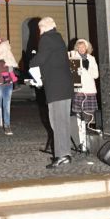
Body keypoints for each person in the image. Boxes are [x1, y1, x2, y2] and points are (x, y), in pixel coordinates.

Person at [30, 17, 74, 169]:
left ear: (42, 28)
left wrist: (30, 62)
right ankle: (65, 153)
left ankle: (62, 156)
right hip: (64, 87)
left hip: (56, 88)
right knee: (63, 122)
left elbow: (40, 59)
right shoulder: (58, 37)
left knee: (57, 122)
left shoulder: (46, 38)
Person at [69, 38, 99, 121]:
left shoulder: (91, 58)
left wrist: (87, 68)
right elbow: (72, 76)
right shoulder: (74, 59)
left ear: (86, 47)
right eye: (79, 47)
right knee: (78, 115)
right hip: (79, 91)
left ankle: (87, 128)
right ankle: (80, 129)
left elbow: (96, 75)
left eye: (83, 47)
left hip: (90, 90)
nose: (81, 49)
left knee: (89, 116)